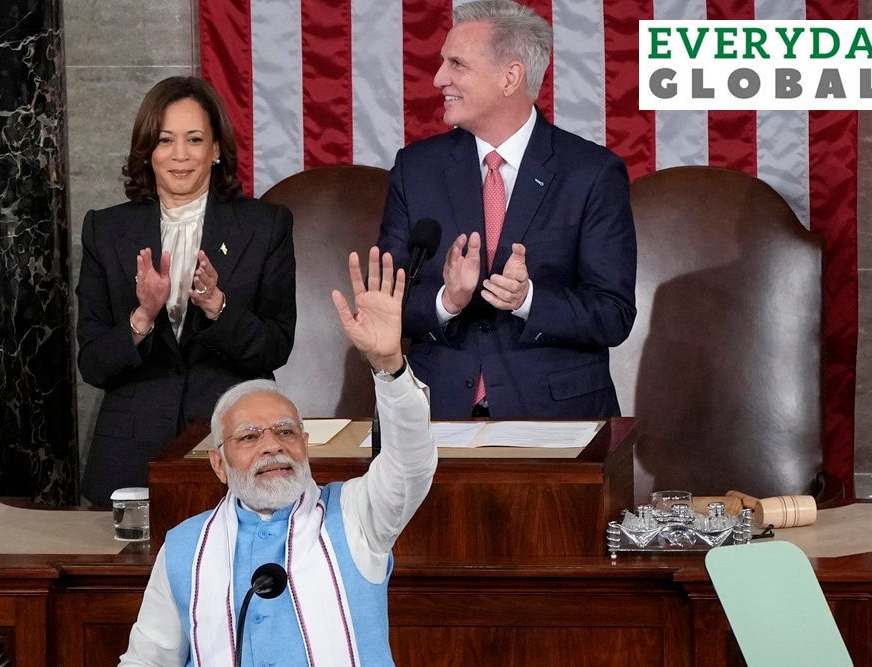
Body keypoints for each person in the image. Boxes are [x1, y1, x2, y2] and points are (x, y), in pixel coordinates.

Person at [118, 248, 436, 667]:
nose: (273, 445)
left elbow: (409, 464)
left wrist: (388, 365)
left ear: (305, 444)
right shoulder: (184, 548)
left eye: (286, 431)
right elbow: (147, 661)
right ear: (219, 463)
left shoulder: (357, 516)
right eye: (249, 437)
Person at [376, 0, 637, 420]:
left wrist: (527, 298)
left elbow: (613, 314)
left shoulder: (591, 173)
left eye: (456, 64)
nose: (439, 78)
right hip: (435, 416)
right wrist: (447, 300)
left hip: (554, 421)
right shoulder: (416, 169)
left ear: (510, 77)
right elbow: (385, 303)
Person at [76, 76, 296, 507]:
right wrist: (142, 317)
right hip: (130, 456)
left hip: (231, 445)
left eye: (194, 139)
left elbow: (276, 347)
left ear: (215, 149)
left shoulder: (265, 225)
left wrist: (219, 307)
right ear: (148, 151)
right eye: (165, 141)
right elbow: (93, 365)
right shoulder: (106, 229)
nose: (180, 155)